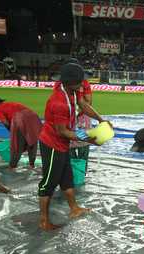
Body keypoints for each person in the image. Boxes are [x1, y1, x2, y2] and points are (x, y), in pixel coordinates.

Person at [38, 62, 107, 231]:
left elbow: (83, 105)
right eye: (81, 81)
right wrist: (89, 138)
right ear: (72, 83)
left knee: (66, 178)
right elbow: (62, 131)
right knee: (49, 182)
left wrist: (101, 119)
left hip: (62, 144)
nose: (83, 83)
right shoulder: (59, 102)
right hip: (52, 144)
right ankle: (44, 220)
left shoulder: (72, 92)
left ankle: (74, 208)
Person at [0, 96, 42, 169]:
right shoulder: (13, 104)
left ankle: (12, 166)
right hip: (34, 118)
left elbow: (6, 123)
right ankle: (31, 164)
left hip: (19, 120)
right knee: (32, 142)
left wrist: (12, 133)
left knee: (16, 146)